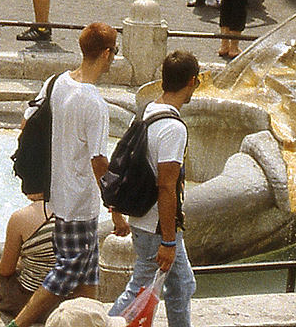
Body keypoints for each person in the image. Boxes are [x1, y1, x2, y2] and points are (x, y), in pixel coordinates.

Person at [11, 25, 116, 327]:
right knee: (68, 270)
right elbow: (99, 161)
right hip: (79, 202)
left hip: (59, 195)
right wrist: (116, 209)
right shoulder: (95, 103)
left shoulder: (55, 82)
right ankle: (17, 325)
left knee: (88, 273)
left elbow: (25, 122)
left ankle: (93, 320)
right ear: (106, 53)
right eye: (114, 51)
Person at [106, 51, 201, 327]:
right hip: (156, 228)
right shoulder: (173, 128)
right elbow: (166, 187)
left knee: (182, 284)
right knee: (140, 288)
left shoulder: (149, 111)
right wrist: (169, 242)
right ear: (192, 81)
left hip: (145, 220)